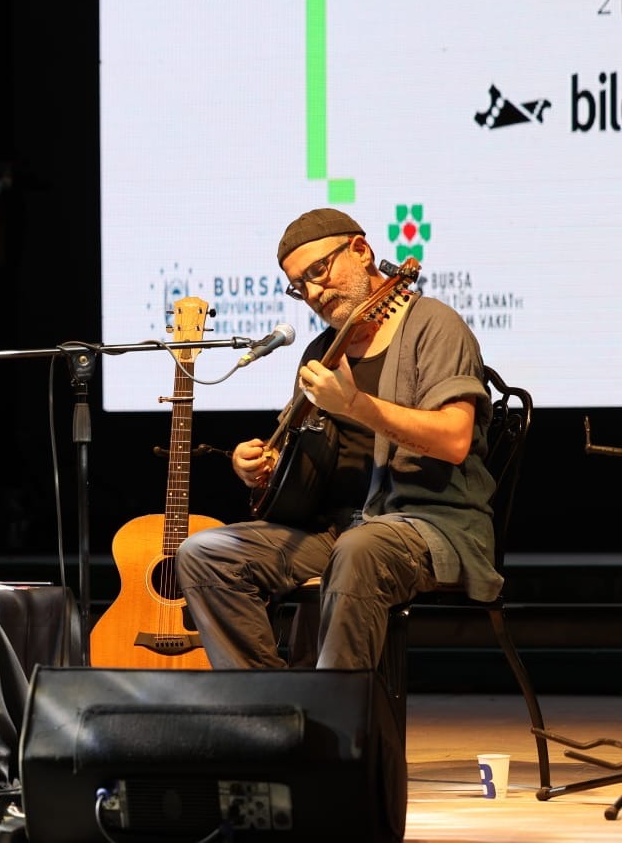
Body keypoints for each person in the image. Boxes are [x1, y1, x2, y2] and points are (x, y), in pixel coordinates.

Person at [176, 207, 499, 670]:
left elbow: (453, 440)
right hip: (335, 530)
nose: (312, 293)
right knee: (204, 553)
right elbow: (296, 453)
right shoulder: (322, 351)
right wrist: (261, 464)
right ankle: (270, 704)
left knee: (359, 548)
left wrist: (354, 404)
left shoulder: (434, 325)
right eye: (299, 286)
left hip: (428, 525)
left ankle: (334, 710)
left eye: (318, 272)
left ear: (361, 251)